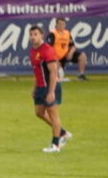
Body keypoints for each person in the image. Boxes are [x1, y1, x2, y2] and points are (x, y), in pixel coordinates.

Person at [28, 25, 71, 153]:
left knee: (53, 115)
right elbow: (37, 71)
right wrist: (34, 87)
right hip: (41, 86)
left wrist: (51, 92)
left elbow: (53, 73)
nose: (33, 37)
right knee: (39, 113)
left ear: (42, 35)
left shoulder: (47, 50)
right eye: (31, 34)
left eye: (36, 34)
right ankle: (62, 132)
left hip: (51, 86)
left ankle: (55, 145)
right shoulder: (32, 51)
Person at [50, 17, 88, 81]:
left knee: (82, 56)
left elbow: (73, 46)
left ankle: (81, 75)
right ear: (56, 24)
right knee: (59, 76)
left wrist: (70, 53)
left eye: (63, 24)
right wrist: (54, 59)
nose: (61, 26)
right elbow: (48, 48)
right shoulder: (52, 34)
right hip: (56, 57)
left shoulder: (67, 33)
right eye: (59, 24)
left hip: (66, 54)